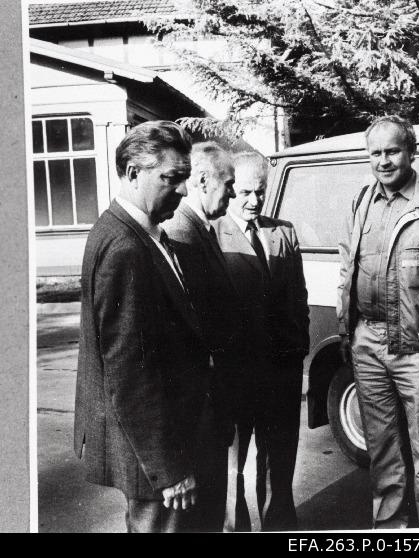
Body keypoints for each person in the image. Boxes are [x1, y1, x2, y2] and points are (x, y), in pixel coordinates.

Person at [74, 121, 223, 532]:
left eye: (185, 179)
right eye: (171, 179)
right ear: (133, 173)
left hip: (175, 437)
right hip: (159, 456)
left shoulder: (145, 234)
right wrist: (169, 469)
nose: (182, 190)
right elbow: (129, 373)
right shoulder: (125, 248)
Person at [336, 115, 419, 528]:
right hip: (367, 341)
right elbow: (348, 271)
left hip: (417, 348)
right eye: (375, 153)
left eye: (392, 151)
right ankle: (391, 530)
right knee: (382, 448)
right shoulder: (361, 202)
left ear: (412, 152)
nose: (383, 161)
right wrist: (348, 331)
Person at [214, 151, 310, 531]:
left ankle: (280, 526)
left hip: (281, 371)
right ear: (229, 189)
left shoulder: (283, 231)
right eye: (245, 193)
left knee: (279, 458)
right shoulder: (211, 235)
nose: (254, 201)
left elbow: (298, 296)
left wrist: (298, 346)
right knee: (232, 464)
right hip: (237, 375)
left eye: (261, 191)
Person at [161, 141, 241, 531]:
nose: (233, 193)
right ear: (204, 180)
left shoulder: (201, 229)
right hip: (199, 406)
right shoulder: (181, 232)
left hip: (212, 401)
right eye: (228, 184)